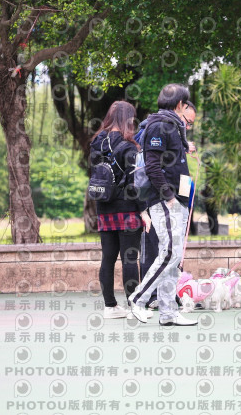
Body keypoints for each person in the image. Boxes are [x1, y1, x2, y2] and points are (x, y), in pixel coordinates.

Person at [128, 84, 198, 326]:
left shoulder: (173, 126)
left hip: (177, 199)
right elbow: (152, 166)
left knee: (173, 256)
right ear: (180, 105)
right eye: (186, 105)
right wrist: (169, 196)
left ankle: (168, 312)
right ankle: (138, 299)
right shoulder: (159, 125)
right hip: (165, 200)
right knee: (169, 253)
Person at [90, 101, 150, 319]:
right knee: (129, 259)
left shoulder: (97, 142)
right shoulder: (129, 146)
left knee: (107, 258)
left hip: (104, 207)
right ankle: (134, 307)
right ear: (128, 119)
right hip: (126, 210)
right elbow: (134, 184)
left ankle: (110, 307)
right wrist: (143, 211)